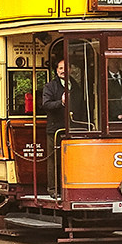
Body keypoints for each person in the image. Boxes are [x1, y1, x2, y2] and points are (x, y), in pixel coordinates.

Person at [40, 55, 69, 192]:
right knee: (54, 159)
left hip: (73, 127)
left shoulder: (75, 84)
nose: (63, 70)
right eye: (61, 68)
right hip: (55, 129)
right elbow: (46, 104)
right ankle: (53, 188)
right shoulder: (50, 86)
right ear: (56, 70)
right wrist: (61, 103)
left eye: (66, 67)